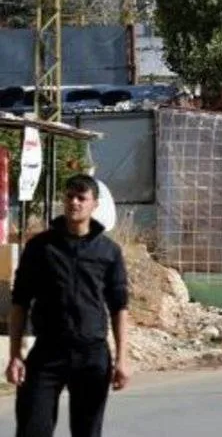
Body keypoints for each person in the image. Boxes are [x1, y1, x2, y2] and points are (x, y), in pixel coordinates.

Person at [9, 174, 131, 437]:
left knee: (87, 431)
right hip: (47, 353)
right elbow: (20, 301)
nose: (74, 203)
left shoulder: (108, 252)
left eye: (81, 198)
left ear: (94, 204)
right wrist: (15, 355)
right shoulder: (40, 247)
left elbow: (119, 307)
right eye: (69, 197)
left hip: (91, 356)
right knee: (32, 427)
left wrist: (122, 359)